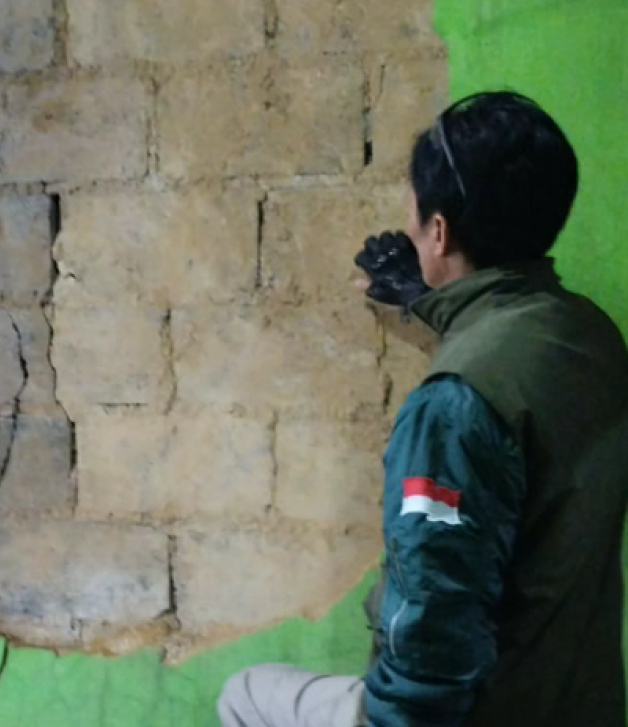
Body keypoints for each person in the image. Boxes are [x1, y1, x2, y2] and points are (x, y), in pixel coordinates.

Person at [216, 91, 628, 727]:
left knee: (245, 694)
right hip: (580, 703)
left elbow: (433, 621)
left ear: (438, 231)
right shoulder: (592, 335)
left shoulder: (451, 409)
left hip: (480, 712)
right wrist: (427, 297)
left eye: (415, 212)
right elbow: (507, 368)